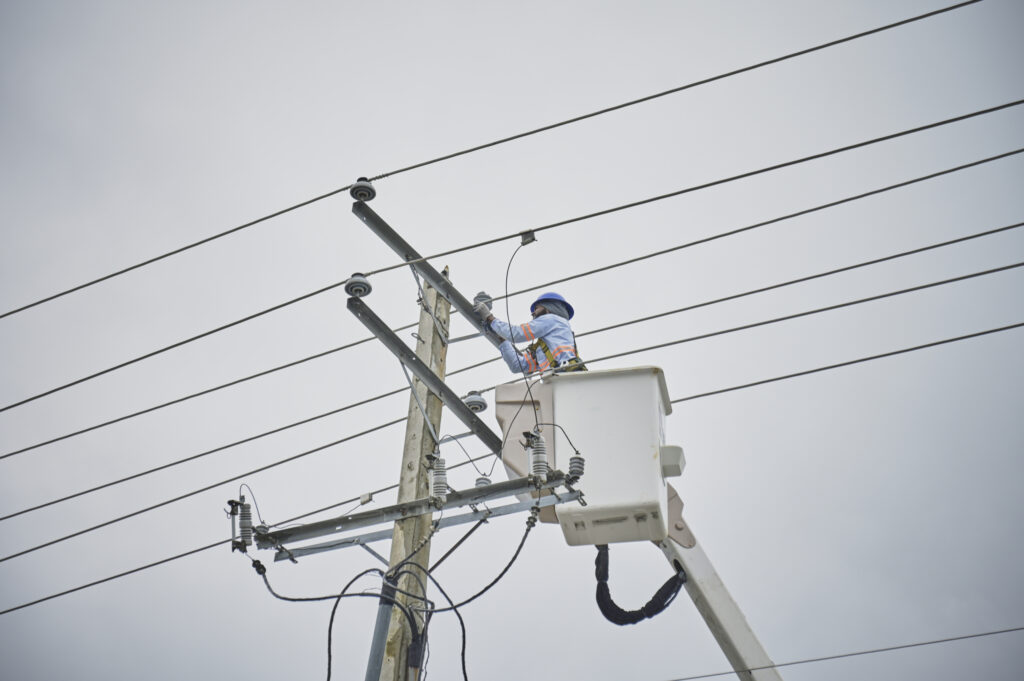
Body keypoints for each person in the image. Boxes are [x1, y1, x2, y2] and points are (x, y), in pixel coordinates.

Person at [474, 291, 586, 374]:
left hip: (566, 377)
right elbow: (517, 366)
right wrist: (503, 338)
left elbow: (517, 334)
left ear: (549, 307)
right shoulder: (544, 349)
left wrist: (490, 318)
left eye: (536, 308)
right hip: (560, 380)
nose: (533, 313)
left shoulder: (552, 319)